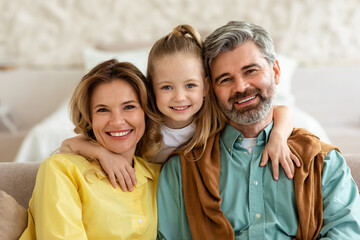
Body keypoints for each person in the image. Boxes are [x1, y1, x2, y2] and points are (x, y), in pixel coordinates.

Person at [157, 21, 360, 239]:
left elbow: (346, 232)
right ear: (210, 89)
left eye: (250, 71)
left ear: (275, 71)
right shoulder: (181, 172)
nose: (241, 87)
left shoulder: (323, 161)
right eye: (225, 79)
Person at [61, 24, 299, 192]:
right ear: (151, 90)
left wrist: (277, 137)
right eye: (166, 87)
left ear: (206, 87)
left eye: (190, 85)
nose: (180, 97)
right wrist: (104, 155)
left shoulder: (213, 115)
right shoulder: (144, 123)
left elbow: (281, 111)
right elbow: (69, 144)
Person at [20, 59, 161, 239]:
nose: (117, 121)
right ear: (89, 118)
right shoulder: (62, 170)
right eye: (103, 110)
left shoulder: (157, 177)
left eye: (129, 107)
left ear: (146, 112)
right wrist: (100, 152)